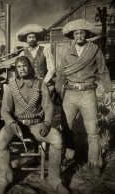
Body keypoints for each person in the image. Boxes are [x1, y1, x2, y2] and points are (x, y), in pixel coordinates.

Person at [0, 56, 70, 194]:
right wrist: (11, 123)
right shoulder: (11, 85)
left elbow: (48, 106)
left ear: (30, 67)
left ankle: (55, 180)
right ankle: (4, 179)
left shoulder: (40, 84)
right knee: (0, 140)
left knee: (57, 139)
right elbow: (5, 109)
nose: (22, 68)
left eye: (24, 66)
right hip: (15, 126)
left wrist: (47, 123)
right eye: (19, 66)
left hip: (37, 125)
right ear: (16, 70)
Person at [55, 19, 113, 176]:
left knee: (92, 129)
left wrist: (108, 91)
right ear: (72, 35)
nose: (79, 35)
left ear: (86, 34)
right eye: (76, 33)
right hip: (70, 93)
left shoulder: (94, 50)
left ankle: (95, 163)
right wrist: (57, 90)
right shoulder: (66, 51)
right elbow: (60, 73)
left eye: (82, 32)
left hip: (88, 93)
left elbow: (103, 71)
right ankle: (69, 153)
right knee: (65, 126)